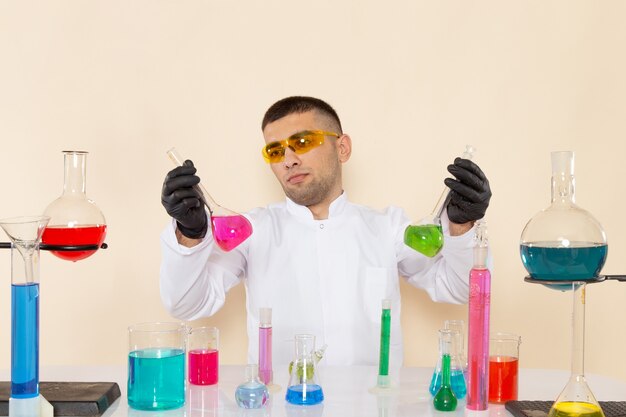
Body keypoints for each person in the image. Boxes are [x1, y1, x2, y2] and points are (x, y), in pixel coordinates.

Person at [160, 96, 491, 370]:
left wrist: (462, 228)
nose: (288, 159)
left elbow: (462, 289)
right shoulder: (253, 231)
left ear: (342, 148)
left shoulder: (387, 228)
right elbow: (187, 305)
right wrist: (190, 234)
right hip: (277, 404)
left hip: (372, 406)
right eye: (275, 151)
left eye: (303, 142)